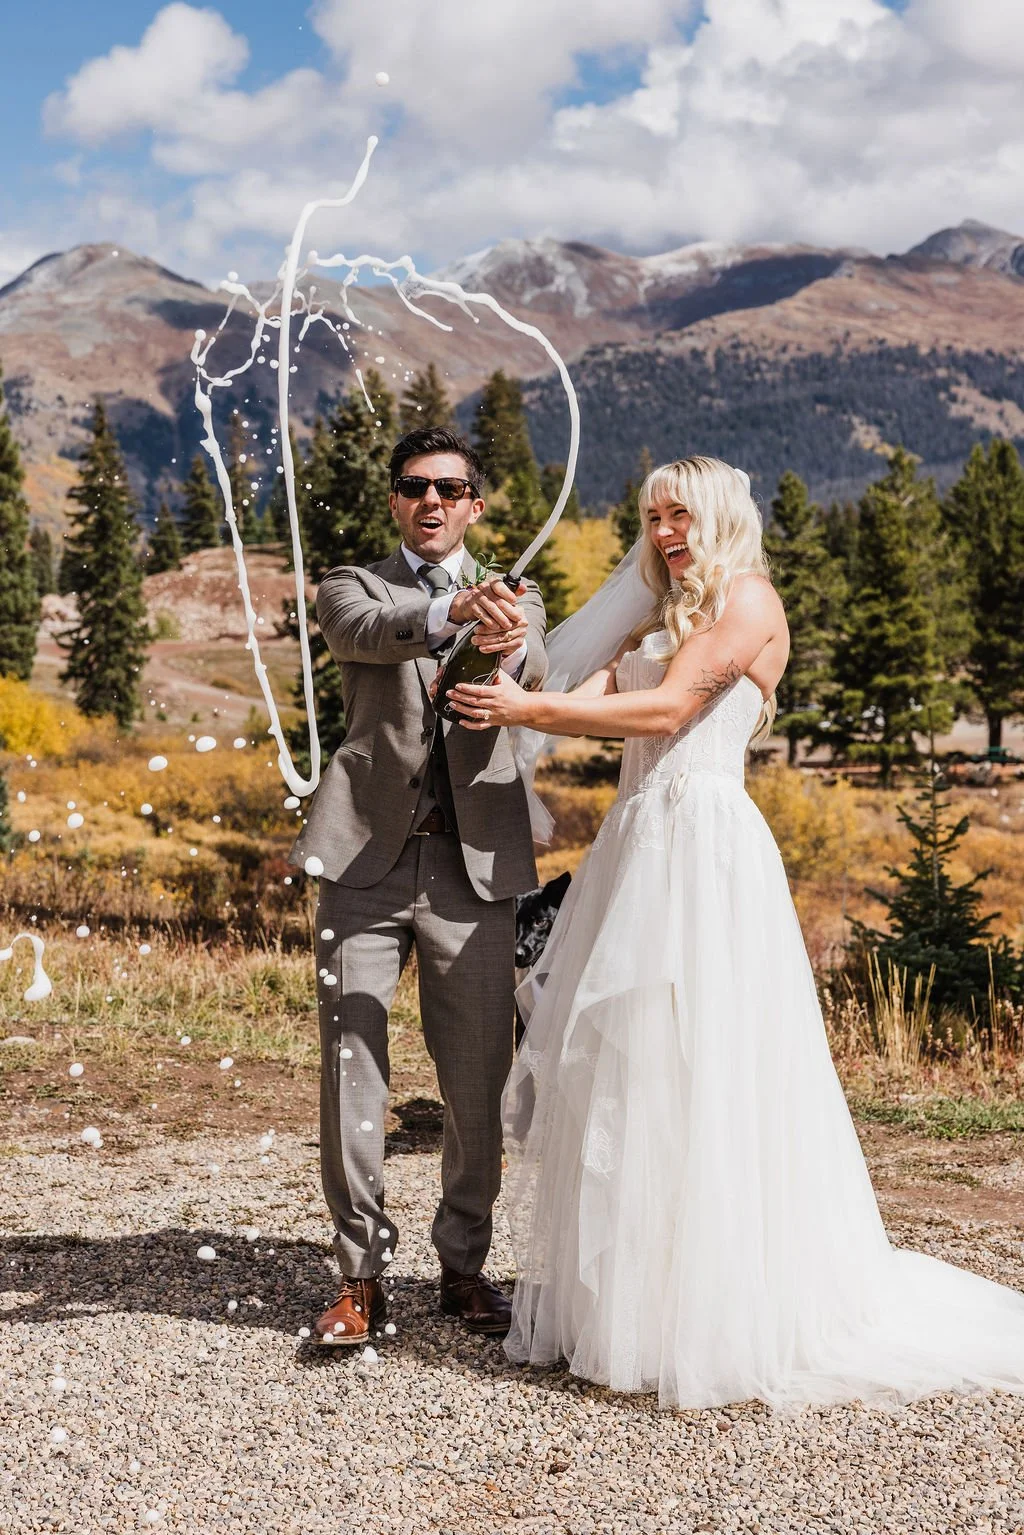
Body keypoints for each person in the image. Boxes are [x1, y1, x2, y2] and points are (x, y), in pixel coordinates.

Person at [447, 454, 1024, 1410]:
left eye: (679, 514)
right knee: (630, 1065)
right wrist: (510, 665)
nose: (663, 532)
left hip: (703, 845)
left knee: (701, 1061)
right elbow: (593, 687)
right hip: (637, 841)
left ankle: (717, 1312)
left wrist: (526, 708)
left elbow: (671, 707)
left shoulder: (749, 600)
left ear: (717, 515)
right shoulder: (657, 608)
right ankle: (631, 1307)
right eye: (652, 517)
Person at [290, 425, 547, 1347]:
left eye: (448, 487)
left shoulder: (521, 595)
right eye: (413, 486)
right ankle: (359, 1277)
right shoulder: (351, 585)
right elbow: (365, 635)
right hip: (362, 862)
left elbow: (535, 667)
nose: (430, 500)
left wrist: (505, 640)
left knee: (478, 1081)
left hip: (474, 871)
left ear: (475, 503)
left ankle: (463, 1267)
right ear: (395, 501)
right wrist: (450, 612)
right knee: (351, 1066)